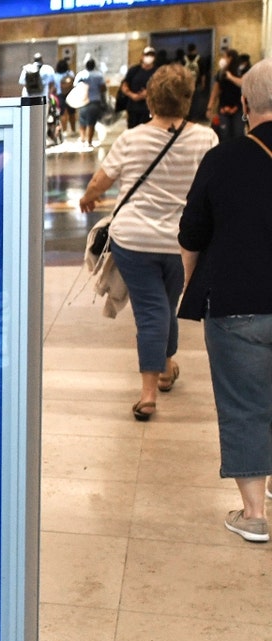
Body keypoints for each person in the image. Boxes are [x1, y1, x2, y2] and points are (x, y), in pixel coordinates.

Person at [78, 64, 217, 421]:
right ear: (187, 99)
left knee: (153, 312)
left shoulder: (132, 138)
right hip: (183, 243)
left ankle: (148, 395)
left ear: (150, 99)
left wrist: (88, 199)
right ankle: (166, 369)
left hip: (134, 241)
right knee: (163, 307)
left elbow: (101, 180)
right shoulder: (206, 139)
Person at [178, 58, 272, 542]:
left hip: (237, 302)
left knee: (244, 404)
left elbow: (192, 232)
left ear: (248, 104)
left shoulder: (225, 158)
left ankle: (254, 515)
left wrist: (192, 282)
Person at [207, 48, 245, 141]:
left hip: (238, 109)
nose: (222, 59)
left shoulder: (240, 71)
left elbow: (243, 84)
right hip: (223, 108)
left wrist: (230, 77)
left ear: (230, 58)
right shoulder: (220, 73)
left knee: (238, 134)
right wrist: (210, 107)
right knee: (224, 134)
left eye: (224, 57)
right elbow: (215, 91)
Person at [120, 46, 159, 128]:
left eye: (151, 55)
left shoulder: (157, 72)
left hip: (149, 109)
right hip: (133, 108)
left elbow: (162, 88)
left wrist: (148, 94)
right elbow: (124, 85)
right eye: (147, 55)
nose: (149, 57)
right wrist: (132, 95)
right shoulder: (134, 70)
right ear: (142, 56)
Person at [73, 57, 108, 147]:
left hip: (83, 101)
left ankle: (82, 138)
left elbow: (75, 87)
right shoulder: (99, 75)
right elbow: (103, 88)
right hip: (95, 101)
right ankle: (89, 141)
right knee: (91, 122)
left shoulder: (81, 75)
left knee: (82, 120)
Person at [56, 58, 77, 137]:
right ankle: (73, 130)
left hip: (60, 95)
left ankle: (64, 131)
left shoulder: (56, 75)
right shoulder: (70, 73)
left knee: (63, 114)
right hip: (70, 94)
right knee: (72, 113)